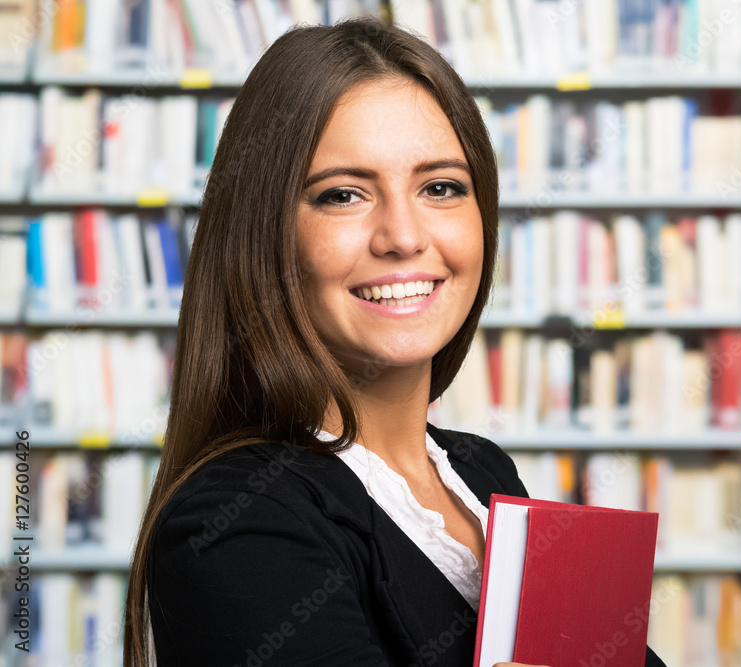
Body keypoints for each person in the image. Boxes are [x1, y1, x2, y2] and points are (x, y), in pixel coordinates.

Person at [122, 18, 668, 667]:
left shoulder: (482, 470)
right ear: (265, 236)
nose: (403, 236)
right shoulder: (234, 521)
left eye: (440, 187)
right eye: (343, 194)